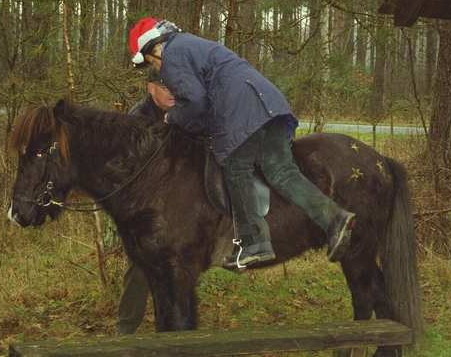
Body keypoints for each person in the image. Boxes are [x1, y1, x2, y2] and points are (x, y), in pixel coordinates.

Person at [129, 17, 357, 271]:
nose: (158, 68)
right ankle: (334, 218)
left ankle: (256, 242)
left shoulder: (173, 55)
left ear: (156, 48)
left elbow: (193, 102)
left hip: (242, 112)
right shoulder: (193, 44)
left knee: (236, 170)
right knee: (282, 173)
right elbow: (205, 99)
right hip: (267, 104)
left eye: (152, 62)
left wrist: (171, 117)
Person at [115, 66, 174, 335]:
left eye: (175, 86)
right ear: (151, 90)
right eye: (165, 87)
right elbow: (129, 171)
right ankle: (125, 331)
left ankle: (173, 331)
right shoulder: (137, 119)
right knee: (139, 267)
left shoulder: (184, 109)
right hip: (145, 206)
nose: (172, 92)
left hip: (179, 199)